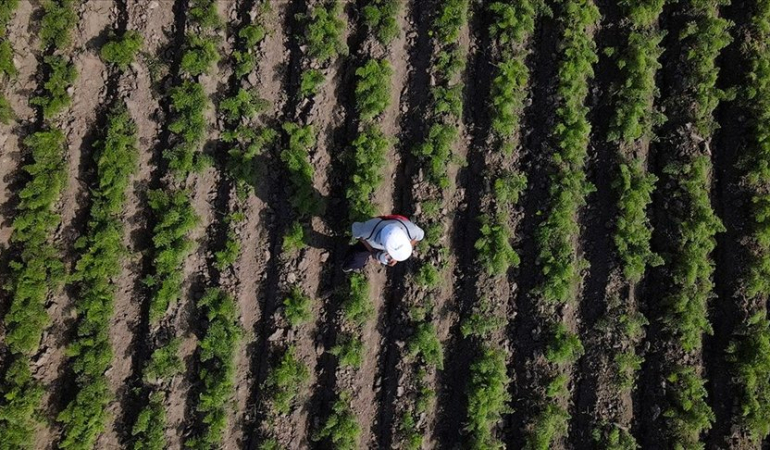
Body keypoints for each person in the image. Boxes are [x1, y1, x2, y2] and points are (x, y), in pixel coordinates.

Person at [343, 214, 425, 272]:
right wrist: (371, 249)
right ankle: (349, 265)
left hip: (396, 222)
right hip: (372, 237)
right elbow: (356, 230)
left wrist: (396, 257)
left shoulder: (410, 230)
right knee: (357, 256)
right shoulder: (367, 231)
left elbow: (419, 236)